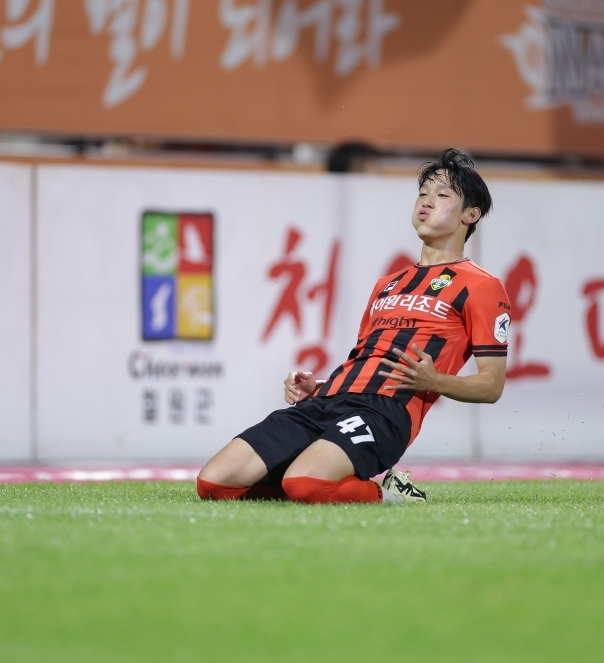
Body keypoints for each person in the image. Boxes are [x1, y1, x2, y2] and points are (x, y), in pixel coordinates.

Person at [197, 149, 511, 504]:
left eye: (441, 196)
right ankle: (316, 480)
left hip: (385, 412)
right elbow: (365, 358)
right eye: (422, 194)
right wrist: (318, 387)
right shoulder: (388, 284)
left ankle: (393, 495)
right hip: (329, 401)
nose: (425, 203)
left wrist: (434, 381)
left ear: (471, 214)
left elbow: (492, 385)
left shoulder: (482, 286)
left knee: (305, 485)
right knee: (214, 484)